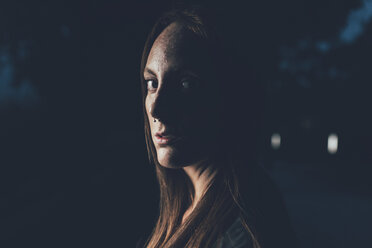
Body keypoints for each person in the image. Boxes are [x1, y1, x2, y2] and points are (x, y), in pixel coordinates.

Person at [138, 5, 297, 248]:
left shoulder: (242, 232)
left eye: (186, 84)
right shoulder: (184, 205)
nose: (156, 109)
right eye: (152, 83)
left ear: (230, 95)